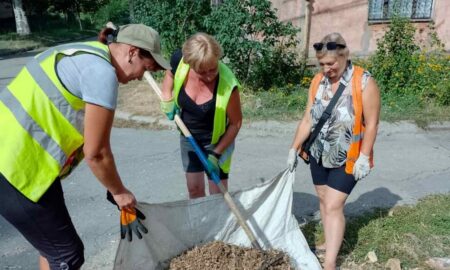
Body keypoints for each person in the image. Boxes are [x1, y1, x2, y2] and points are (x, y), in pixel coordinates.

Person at [0, 23, 170, 270]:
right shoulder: (101, 72)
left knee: (52, 248)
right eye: (146, 68)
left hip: (26, 164)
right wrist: (120, 192)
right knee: (66, 255)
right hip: (14, 168)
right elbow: (97, 153)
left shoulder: (84, 52)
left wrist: (113, 188)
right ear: (132, 52)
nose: (140, 77)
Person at [287, 32, 380, 269]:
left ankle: (329, 264)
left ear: (344, 56)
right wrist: (294, 147)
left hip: (348, 158)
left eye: (331, 63)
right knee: (323, 200)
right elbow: (308, 117)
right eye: (321, 64)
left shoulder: (364, 82)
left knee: (333, 205)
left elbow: (372, 124)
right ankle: (330, 243)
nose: (326, 69)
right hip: (318, 153)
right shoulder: (318, 82)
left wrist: (364, 156)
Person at [160, 33, 242, 199]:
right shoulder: (179, 60)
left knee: (217, 195)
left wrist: (216, 154)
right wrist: (167, 97)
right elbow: (169, 74)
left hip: (216, 142)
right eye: (201, 72)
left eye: (213, 69)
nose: (209, 76)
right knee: (194, 190)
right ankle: (201, 224)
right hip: (188, 137)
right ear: (189, 64)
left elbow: (236, 123)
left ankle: (220, 225)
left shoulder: (228, 85)